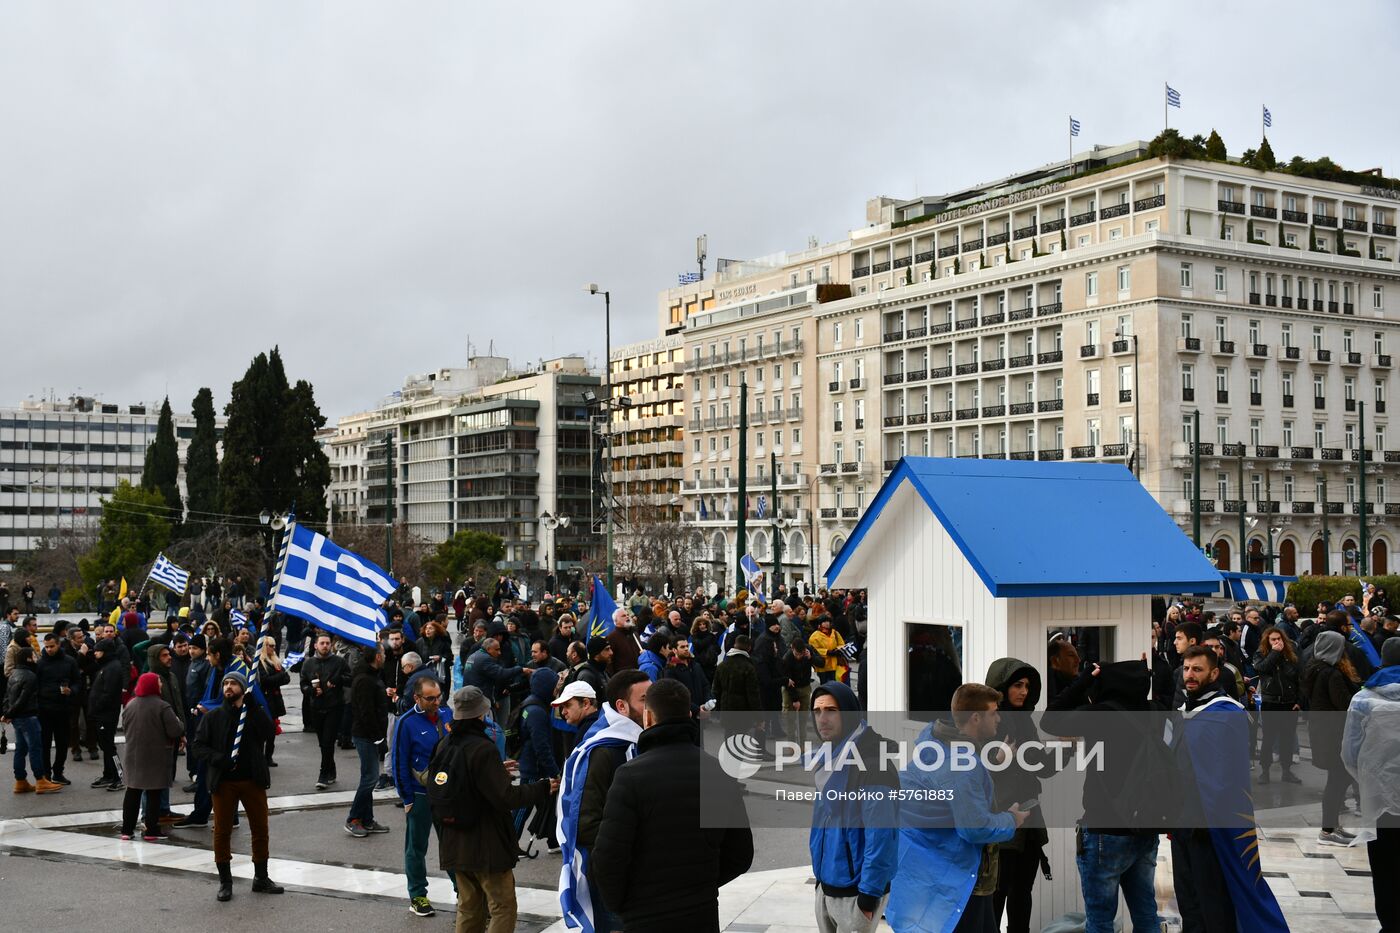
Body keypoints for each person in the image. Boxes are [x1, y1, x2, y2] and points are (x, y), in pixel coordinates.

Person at [592, 678, 754, 932]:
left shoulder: (629, 776)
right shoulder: (718, 771)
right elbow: (740, 854)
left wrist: (624, 905)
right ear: (689, 715)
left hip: (645, 915)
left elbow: (607, 858)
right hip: (701, 911)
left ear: (648, 718)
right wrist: (702, 886)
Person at [887, 683, 1026, 933]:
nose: (999, 718)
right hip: (954, 880)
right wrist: (1011, 820)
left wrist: (991, 763)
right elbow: (974, 829)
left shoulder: (932, 741)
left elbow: (949, 787)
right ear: (975, 718)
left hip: (918, 872)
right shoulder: (963, 766)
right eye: (993, 712)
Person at [1040, 660, 1162, 933]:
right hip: (1145, 826)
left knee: (1100, 920)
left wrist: (1083, 679)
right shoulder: (1156, 711)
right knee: (1146, 913)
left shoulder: (1102, 714)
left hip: (1104, 830)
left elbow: (1050, 719)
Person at [435, 685, 555, 933]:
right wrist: (542, 788)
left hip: (454, 841)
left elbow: (463, 781)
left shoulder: (445, 744)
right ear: (481, 715)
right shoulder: (483, 748)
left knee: (468, 908)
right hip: (485, 844)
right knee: (502, 906)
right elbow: (506, 797)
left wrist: (497, 770)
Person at [558, 671, 648, 933]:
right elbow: (584, 823)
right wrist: (628, 850)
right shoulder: (604, 750)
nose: (652, 706)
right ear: (622, 706)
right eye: (644, 699)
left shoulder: (639, 740)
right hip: (615, 876)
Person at [807, 680, 899, 933]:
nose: (822, 718)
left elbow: (881, 836)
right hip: (827, 884)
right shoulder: (828, 758)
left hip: (856, 892)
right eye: (817, 711)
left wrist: (869, 895)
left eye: (831, 710)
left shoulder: (873, 764)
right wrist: (820, 880)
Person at [193, 668, 283, 901]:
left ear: (243, 689)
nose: (228, 688)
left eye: (233, 684)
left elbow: (268, 732)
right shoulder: (213, 717)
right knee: (222, 832)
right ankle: (225, 881)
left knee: (260, 828)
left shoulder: (252, 713)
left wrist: (254, 708)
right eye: (226, 684)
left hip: (252, 780)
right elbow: (199, 746)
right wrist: (219, 759)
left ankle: (261, 877)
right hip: (224, 782)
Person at [983, 658, 1050, 933]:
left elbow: (1041, 767)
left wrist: (1065, 750)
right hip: (1003, 820)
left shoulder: (1025, 722)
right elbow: (973, 772)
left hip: (1030, 820)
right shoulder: (988, 721)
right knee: (997, 895)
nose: (1023, 691)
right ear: (1002, 687)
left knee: (1022, 894)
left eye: (1027, 686)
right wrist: (997, 759)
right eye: (1017, 685)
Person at [1342, 636, 1400, 932]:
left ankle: (1390, 924)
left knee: (1385, 868)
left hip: (1380, 801)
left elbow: (1350, 753)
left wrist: (1367, 782)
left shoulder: (1363, 699)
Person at [392, 675, 451, 918]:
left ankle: (465, 893)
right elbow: (399, 762)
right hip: (419, 794)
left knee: (453, 845)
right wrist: (407, 798)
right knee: (416, 848)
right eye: (430, 698)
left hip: (447, 794)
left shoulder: (447, 715)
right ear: (417, 698)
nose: (436, 701)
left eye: (438, 696)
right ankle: (417, 895)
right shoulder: (406, 723)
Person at [1304, 630, 1362, 845]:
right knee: (1338, 781)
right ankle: (1328, 831)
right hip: (1334, 736)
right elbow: (1344, 704)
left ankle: (1332, 826)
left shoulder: (1314, 668)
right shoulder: (1331, 674)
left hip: (1324, 733)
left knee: (1338, 780)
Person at [119, 672, 185, 840]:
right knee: (154, 793)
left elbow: (126, 728)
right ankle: (151, 830)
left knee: (132, 792)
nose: (161, 685)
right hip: (156, 756)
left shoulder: (131, 704)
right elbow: (175, 730)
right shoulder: (162, 706)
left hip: (133, 755)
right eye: (159, 682)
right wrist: (180, 722)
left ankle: (126, 831)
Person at [347, 645, 392, 838]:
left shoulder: (372, 675)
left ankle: (367, 819)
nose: (384, 655)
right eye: (381, 652)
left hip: (370, 734)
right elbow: (366, 712)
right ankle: (354, 819)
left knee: (369, 776)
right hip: (365, 735)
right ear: (376, 657)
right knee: (370, 778)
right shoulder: (365, 679)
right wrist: (378, 737)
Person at [300, 632, 352, 790]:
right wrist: (311, 691)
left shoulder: (339, 661)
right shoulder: (308, 663)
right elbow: (303, 684)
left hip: (334, 706)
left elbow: (350, 678)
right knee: (323, 742)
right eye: (321, 643)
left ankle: (323, 773)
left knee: (328, 741)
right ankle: (331, 768)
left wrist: (338, 681)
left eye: (327, 643)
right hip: (316, 706)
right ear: (316, 645)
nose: (324, 646)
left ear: (331, 645)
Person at [5, 645, 58, 794]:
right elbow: (23, 699)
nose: (36, 658)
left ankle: (20, 781)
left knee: (20, 749)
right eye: (34, 656)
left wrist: (7, 713)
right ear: (28, 659)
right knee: (35, 748)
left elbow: (7, 696)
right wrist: (9, 713)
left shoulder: (14, 673)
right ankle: (40, 780)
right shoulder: (30, 676)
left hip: (17, 718)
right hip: (28, 716)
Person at [1253, 625, 1302, 784]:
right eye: (1273, 639)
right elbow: (1261, 668)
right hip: (1271, 702)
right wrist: (1275, 653)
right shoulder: (1261, 654)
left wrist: (1298, 701)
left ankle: (1286, 770)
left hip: (1289, 702)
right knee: (1268, 738)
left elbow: (1297, 676)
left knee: (1287, 738)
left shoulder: (1290, 654)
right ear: (1267, 641)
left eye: (1279, 639)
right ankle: (1265, 771)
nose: (1277, 642)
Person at [36, 632, 78, 787]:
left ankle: (58, 772)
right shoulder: (40, 663)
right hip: (44, 710)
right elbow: (36, 685)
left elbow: (77, 682)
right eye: (46, 647)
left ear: (58, 645)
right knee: (44, 744)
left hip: (63, 709)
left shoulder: (69, 662)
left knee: (62, 743)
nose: (49, 649)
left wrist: (71, 691)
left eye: (51, 646)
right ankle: (46, 774)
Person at [88, 638, 129, 790]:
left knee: (109, 747)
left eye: (98, 652)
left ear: (105, 652)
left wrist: (96, 707)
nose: (95, 654)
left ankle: (119, 776)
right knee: (104, 745)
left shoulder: (112, 667)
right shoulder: (105, 666)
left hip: (106, 714)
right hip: (101, 713)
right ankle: (108, 774)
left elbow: (109, 693)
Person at [808, 616, 846, 684]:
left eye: (828, 621)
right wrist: (827, 652)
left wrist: (837, 650)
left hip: (835, 664)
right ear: (820, 624)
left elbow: (842, 644)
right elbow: (814, 650)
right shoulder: (814, 636)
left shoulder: (835, 633)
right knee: (825, 685)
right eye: (824, 622)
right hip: (823, 666)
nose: (827, 623)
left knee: (836, 684)